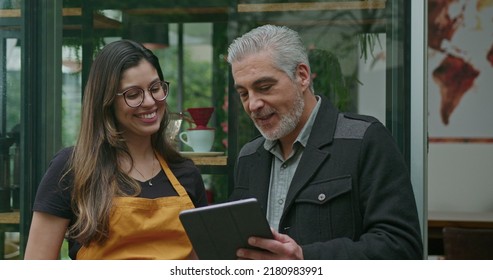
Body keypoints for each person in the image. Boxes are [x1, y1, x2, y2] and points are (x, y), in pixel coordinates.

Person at [227, 25, 423, 259]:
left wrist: (305, 259)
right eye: (244, 93)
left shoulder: (364, 140)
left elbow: (402, 248)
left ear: (302, 76)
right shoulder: (249, 157)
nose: (253, 104)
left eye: (264, 87)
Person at [24, 40, 208, 260]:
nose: (149, 101)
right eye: (133, 95)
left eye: (155, 88)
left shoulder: (185, 172)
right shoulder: (72, 168)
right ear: (107, 101)